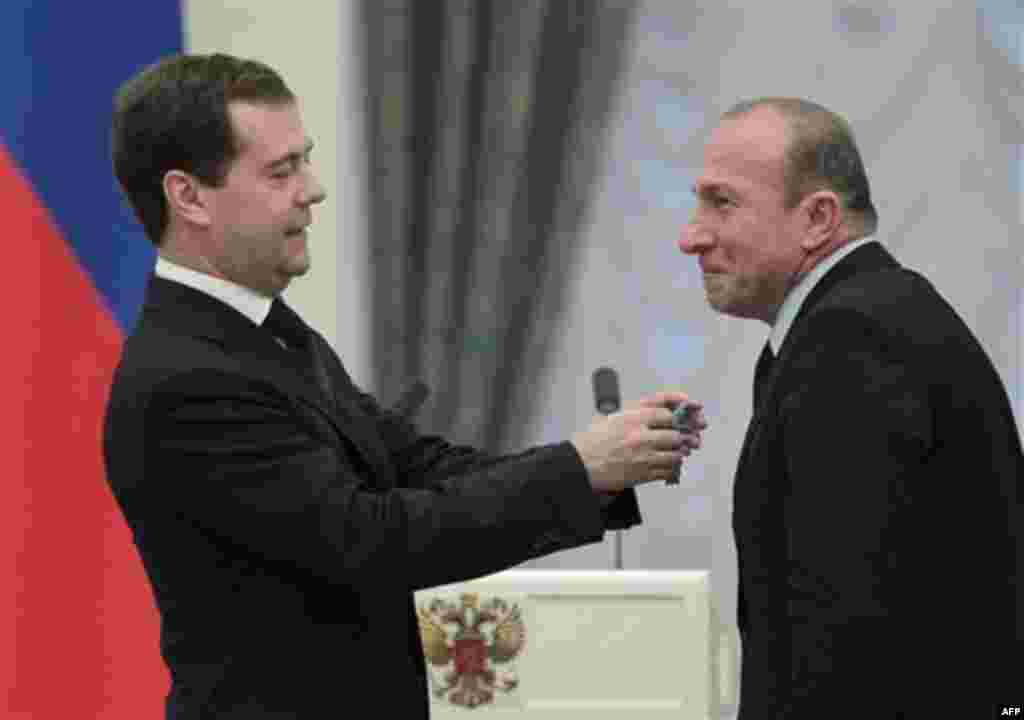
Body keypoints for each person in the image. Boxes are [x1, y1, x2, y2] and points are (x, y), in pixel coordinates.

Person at [102, 53, 705, 719]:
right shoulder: (187, 380)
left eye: (305, 158)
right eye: (282, 170)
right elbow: (371, 543)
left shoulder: (267, 329)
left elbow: (414, 465)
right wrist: (577, 470)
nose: (314, 188)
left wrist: (602, 462)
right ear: (188, 197)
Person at [679, 97, 1021, 718]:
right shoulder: (855, 320)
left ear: (817, 218)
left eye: (721, 203)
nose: (690, 236)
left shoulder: (853, 340)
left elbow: (841, 634)